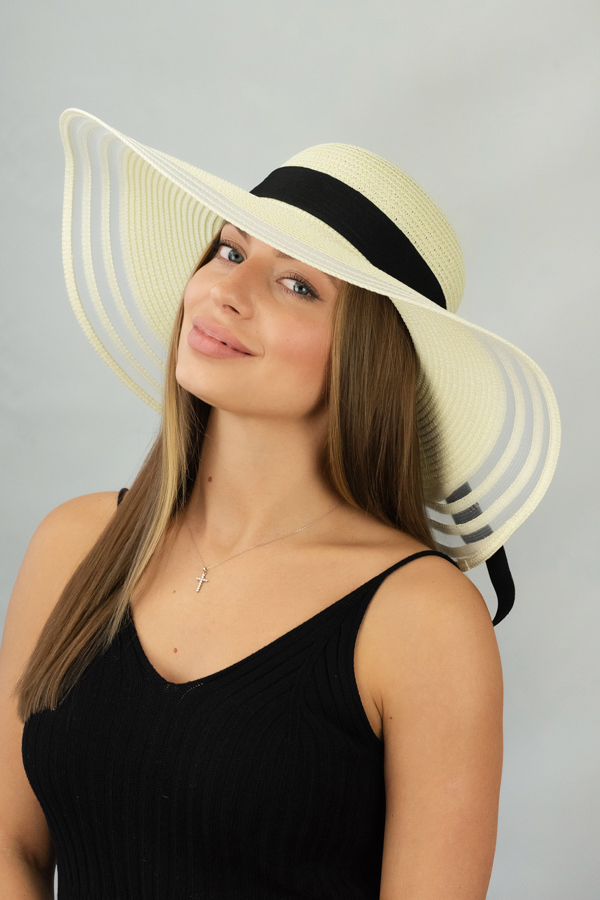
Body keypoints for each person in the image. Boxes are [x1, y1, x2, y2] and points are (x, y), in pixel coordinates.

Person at [0, 110, 560, 899]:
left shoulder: (421, 619)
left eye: (298, 284)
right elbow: (9, 847)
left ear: (366, 356)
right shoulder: (76, 544)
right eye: (230, 251)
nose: (226, 290)